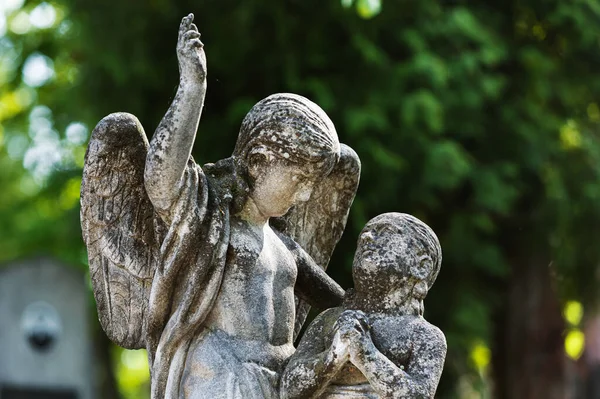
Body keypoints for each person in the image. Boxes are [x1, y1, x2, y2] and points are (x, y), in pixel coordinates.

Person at [141, 14, 346, 399]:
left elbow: (345, 306)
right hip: (220, 379)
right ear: (257, 160)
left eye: (312, 185)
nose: (303, 196)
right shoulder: (209, 222)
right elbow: (161, 182)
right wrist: (192, 88)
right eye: (298, 179)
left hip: (283, 383)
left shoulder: (287, 250)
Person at [280, 213, 447, 399]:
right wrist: (333, 356)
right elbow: (289, 388)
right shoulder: (328, 320)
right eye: (364, 236)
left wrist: (365, 354)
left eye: (385, 232)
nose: (367, 237)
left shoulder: (425, 335)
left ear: (421, 266)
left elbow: (419, 396)